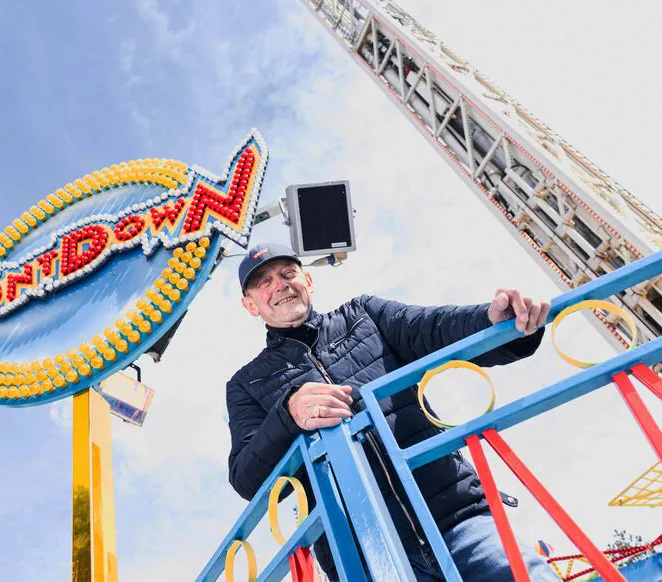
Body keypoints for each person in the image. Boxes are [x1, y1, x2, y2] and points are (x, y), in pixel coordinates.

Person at [225, 243, 559, 581]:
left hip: (456, 516)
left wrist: (494, 320)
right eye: (264, 282)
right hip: (368, 556)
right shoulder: (247, 384)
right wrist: (287, 415)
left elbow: (436, 328)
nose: (280, 285)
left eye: (287, 274)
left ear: (308, 281)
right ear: (250, 305)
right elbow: (248, 478)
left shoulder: (363, 315)